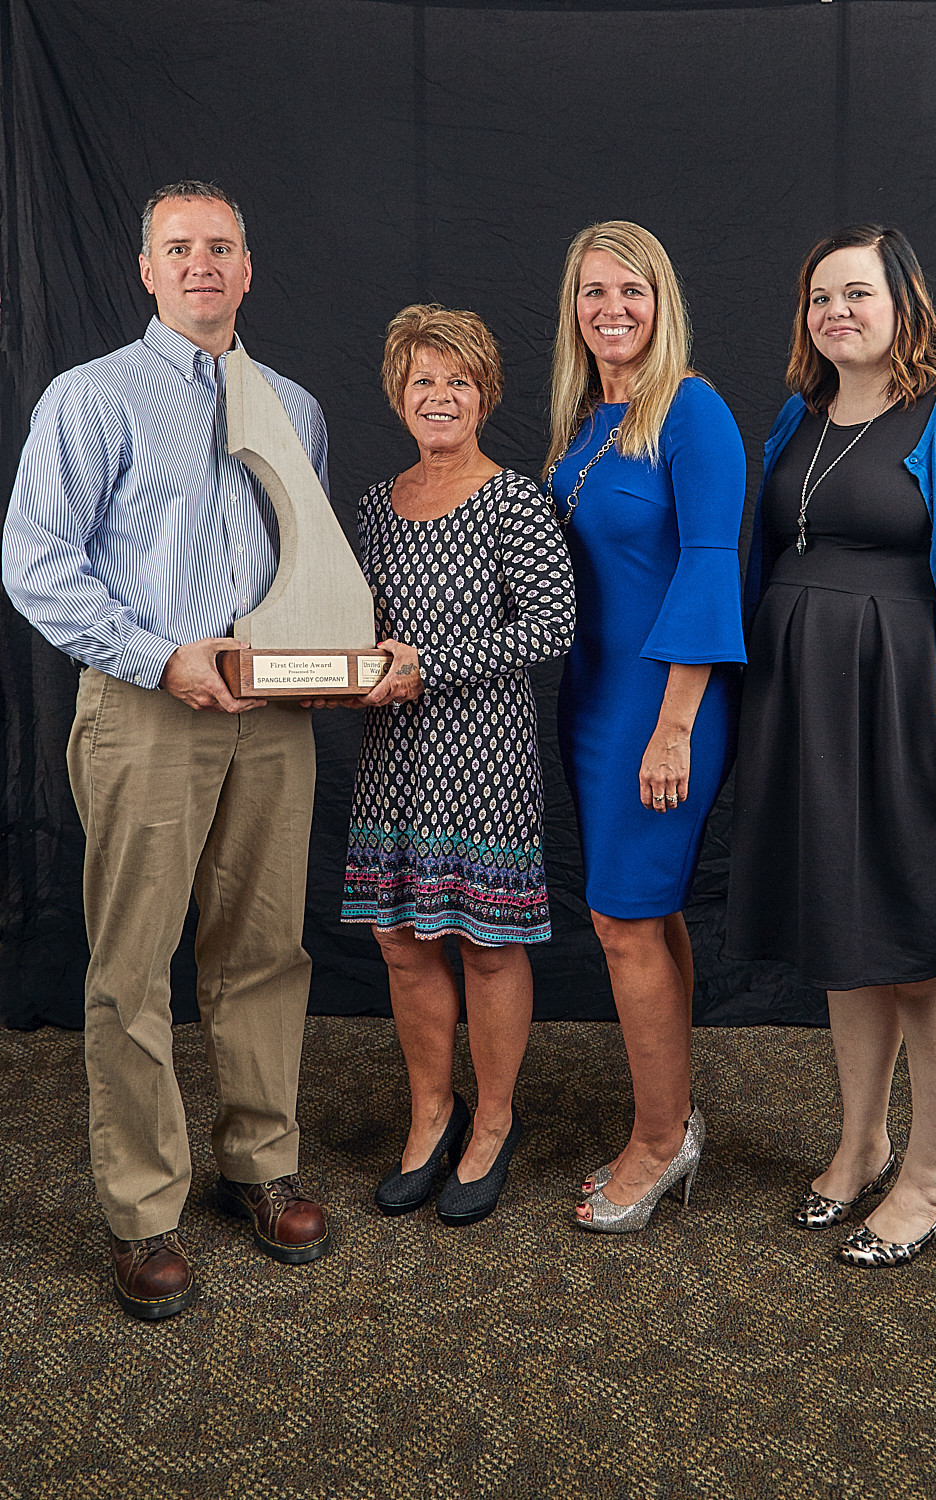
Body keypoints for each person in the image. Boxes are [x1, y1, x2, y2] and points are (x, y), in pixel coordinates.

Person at [2, 181, 332, 1320]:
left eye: (222, 247)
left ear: (249, 269)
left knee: (264, 950)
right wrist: (157, 658)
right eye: (179, 247)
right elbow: (37, 562)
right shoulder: (92, 398)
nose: (203, 264)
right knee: (134, 968)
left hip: (274, 717)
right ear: (147, 269)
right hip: (151, 708)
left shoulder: (291, 404)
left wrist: (333, 655)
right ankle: (144, 1211)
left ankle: (262, 1161)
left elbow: (309, 563)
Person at [726, 224, 936, 1267]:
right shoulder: (799, 417)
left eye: (857, 293)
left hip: (920, 724)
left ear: (905, 299)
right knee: (848, 945)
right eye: (821, 298)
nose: (837, 313)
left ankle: (931, 1178)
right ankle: (860, 1144)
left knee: (926, 956)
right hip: (813, 725)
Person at [341, 304, 575, 1227]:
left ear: (485, 394)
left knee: (485, 940)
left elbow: (552, 626)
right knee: (402, 939)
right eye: (422, 382)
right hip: (392, 757)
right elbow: (356, 630)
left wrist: (428, 665)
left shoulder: (515, 499)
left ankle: (496, 1122)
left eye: (458, 382)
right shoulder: (375, 503)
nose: (439, 398)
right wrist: (346, 668)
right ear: (399, 395)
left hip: (481, 753)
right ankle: (433, 1113)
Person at [543, 221, 747, 1232]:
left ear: (662, 302)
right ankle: (676, 1120)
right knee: (648, 916)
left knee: (625, 922)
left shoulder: (692, 410)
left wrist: (673, 727)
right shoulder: (589, 421)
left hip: (664, 707)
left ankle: (659, 1144)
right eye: (592, 292)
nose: (611, 309)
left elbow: (711, 568)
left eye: (632, 290)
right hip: (592, 702)